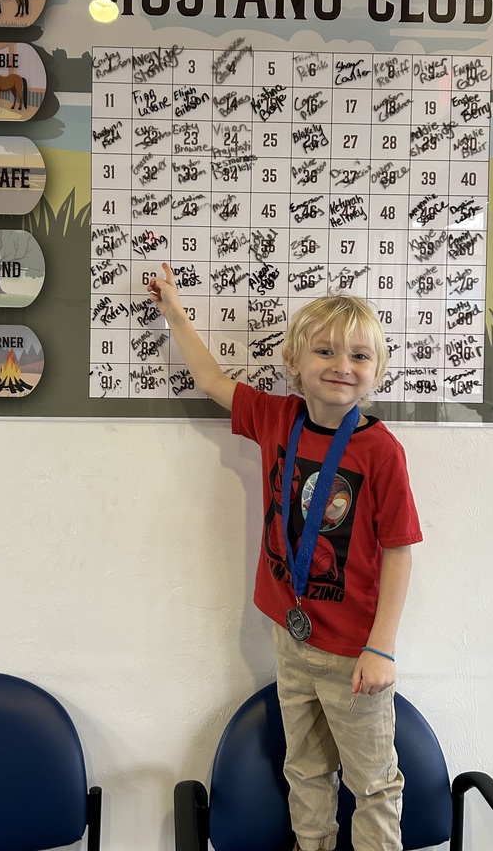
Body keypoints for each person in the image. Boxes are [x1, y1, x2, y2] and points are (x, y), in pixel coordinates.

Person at [147, 263, 422, 851]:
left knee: (373, 784)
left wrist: (381, 647)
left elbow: (399, 550)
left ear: (377, 372)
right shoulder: (278, 418)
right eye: (324, 351)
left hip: (354, 652)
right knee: (305, 767)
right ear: (294, 363)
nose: (341, 366)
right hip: (292, 636)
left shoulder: (380, 452)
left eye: (359, 357)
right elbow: (214, 380)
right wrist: (173, 311)